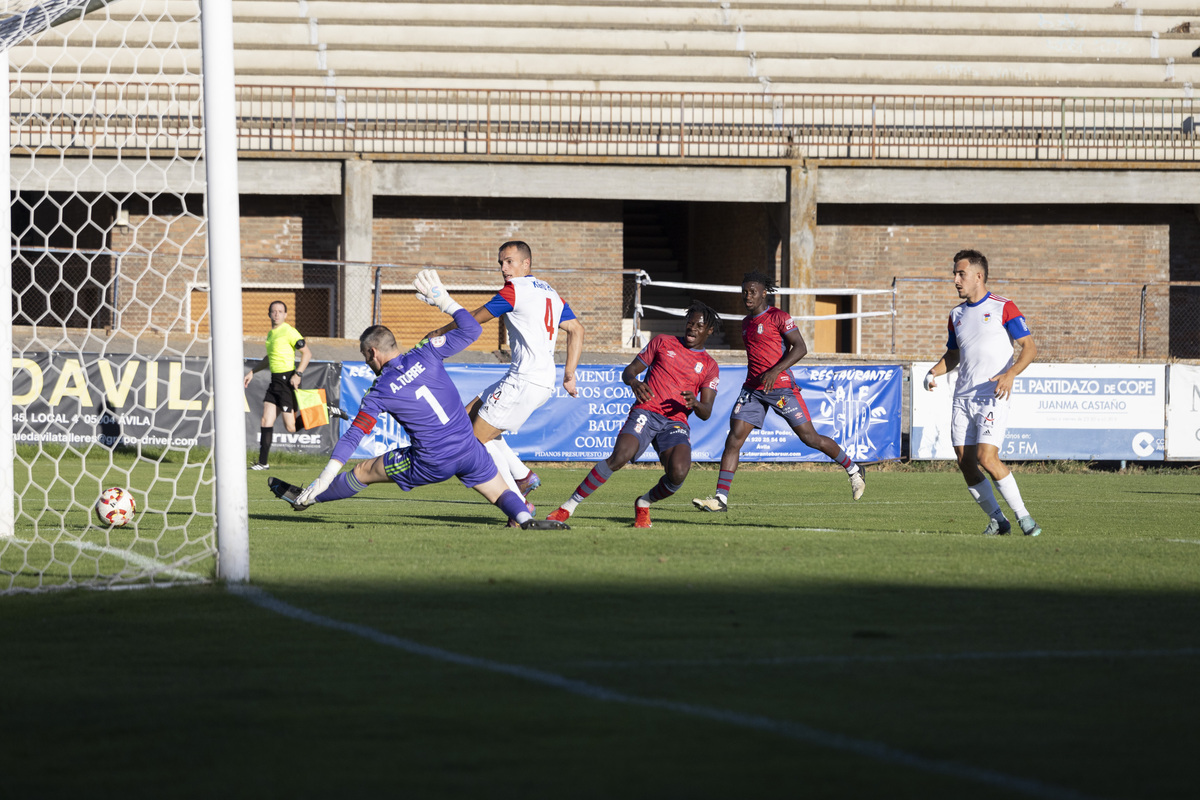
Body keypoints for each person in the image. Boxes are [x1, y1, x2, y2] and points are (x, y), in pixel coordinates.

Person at [268, 270, 568, 531]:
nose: (366, 361)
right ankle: (525, 519)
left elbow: (355, 433)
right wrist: (444, 301)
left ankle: (309, 497)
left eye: (364, 356)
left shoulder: (379, 390)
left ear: (372, 353)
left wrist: (325, 475)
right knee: (498, 490)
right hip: (468, 447)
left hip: (431, 461)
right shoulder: (427, 351)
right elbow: (473, 329)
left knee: (364, 471)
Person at [424, 240, 584, 508]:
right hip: (541, 380)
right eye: (501, 262)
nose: (504, 268)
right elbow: (577, 329)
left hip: (524, 380)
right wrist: (569, 374)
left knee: (474, 441)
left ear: (526, 263)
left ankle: (517, 505)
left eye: (509, 261)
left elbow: (473, 318)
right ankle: (522, 476)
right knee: (467, 416)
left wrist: (439, 331)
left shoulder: (514, 291)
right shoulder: (550, 293)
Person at [692, 271, 865, 513]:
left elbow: (801, 347)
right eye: (744, 291)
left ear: (764, 293)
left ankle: (854, 469)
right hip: (752, 388)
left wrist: (775, 371)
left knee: (809, 438)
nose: (748, 296)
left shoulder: (779, 317)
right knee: (734, 439)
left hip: (780, 386)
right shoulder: (746, 323)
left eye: (753, 291)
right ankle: (721, 499)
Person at [546, 301, 722, 528]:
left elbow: (706, 412)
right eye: (690, 323)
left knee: (678, 472)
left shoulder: (709, 365)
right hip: (646, 412)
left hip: (675, 422)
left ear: (709, 331)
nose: (692, 329)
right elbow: (629, 371)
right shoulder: (662, 342)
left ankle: (644, 502)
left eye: (699, 326)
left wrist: (696, 403)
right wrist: (634, 383)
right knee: (620, 456)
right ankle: (567, 507)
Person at [923, 249, 1041, 536]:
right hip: (962, 397)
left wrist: (1010, 374)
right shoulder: (956, 314)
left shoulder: (1005, 306)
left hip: (992, 394)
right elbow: (954, 355)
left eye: (960, 273)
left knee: (988, 458)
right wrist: (933, 372)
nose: (955, 279)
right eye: (954, 273)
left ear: (979, 276)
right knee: (966, 462)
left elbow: (1030, 347)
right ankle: (998, 520)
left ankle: (1025, 518)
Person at [244, 300, 311, 470]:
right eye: (274, 311)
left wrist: (298, 374)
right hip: (275, 381)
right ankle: (263, 462)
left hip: (287, 381)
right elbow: (269, 358)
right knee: (266, 420)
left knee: (291, 427)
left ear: (285, 315)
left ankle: (324, 409)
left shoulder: (289, 331)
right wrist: (253, 371)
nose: (276, 314)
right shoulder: (271, 334)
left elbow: (307, 354)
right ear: (269, 314)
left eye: (280, 311)